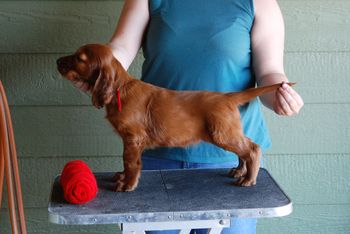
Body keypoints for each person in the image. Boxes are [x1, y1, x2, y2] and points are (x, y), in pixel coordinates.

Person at [106, 0, 304, 233]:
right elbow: (120, 49)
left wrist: (279, 96)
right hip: (159, 155)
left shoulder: (259, 3)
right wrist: (96, 67)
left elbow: (269, 71)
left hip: (228, 162)